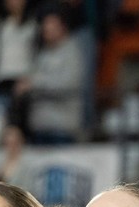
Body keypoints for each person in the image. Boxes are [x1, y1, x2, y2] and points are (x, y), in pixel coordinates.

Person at [17, 11, 85, 143]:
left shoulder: (72, 52)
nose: (48, 31)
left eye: (52, 27)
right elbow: (29, 84)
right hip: (39, 128)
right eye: (46, 28)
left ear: (62, 28)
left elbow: (67, 84)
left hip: (62, 129)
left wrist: (34, 84)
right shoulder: (41, 55)